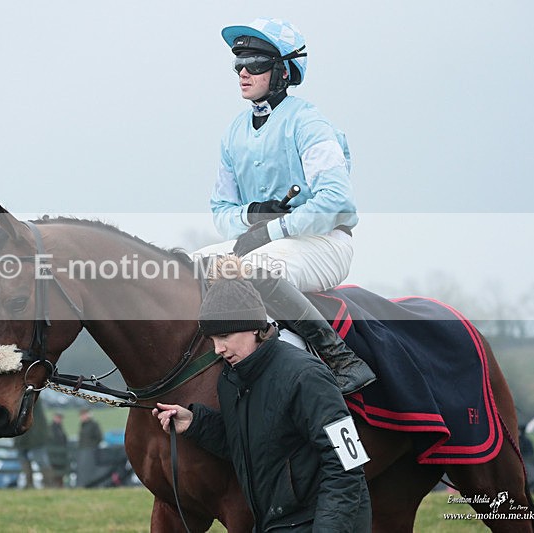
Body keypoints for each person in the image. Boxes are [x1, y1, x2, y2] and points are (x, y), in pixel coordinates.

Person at [195, 17, 375, 395]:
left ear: (282, 71)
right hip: (257, 242)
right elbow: (220, 210)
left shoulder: (310, 124)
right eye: (238, 64)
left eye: (255, 63)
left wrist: (273, 228)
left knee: (254, 269)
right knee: (185, 264)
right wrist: (252, 215)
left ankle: (342, 359)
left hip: (324, 244)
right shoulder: (233, 133)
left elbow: (336, 200)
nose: (243, 72)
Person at [153, 272, 372, 531]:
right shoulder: (230, 380)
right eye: (212, 339)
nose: (217, 349)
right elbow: (250, 445)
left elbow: (348, 464)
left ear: (255, 327)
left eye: (224, 336)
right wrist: (195, 423)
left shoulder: (307, 376)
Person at [13, 400, 53, 488]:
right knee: (25, 459)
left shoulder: (32, 396)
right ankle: (30, 484)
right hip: (24, 433)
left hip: (34, 434)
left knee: (40, 460)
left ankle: (48, 484)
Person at [76, 408, 103, 488]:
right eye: (81, 415)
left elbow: (99, 437)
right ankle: (82, 485)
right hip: (82, 450)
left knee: (89, 469)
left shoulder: (94, 424)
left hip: (90, 451)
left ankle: (90, 485)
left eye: (84, 414)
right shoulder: (82, 425)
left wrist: (92, 446)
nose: (82, 417)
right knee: (82, 469)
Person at [47, 412, 70, 488]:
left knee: (60, 474)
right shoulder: (51, 428)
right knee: (54, 474)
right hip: (53, 455)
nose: (59, 419)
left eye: (60, 418)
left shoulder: (60, 428)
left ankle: (59, 487)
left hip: (61, 456)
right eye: (58, 417)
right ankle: (54, 487)